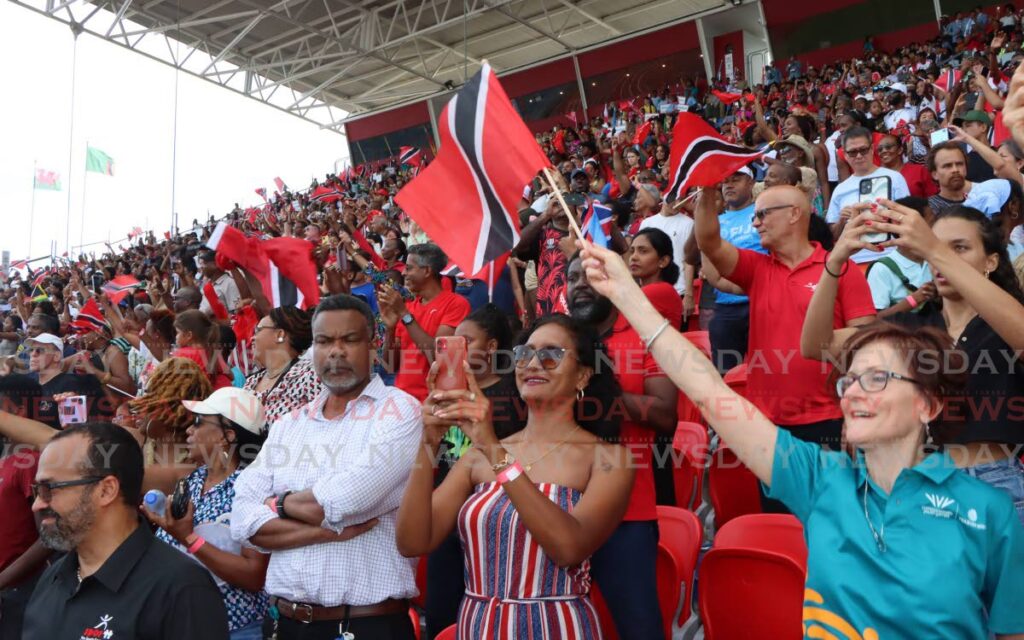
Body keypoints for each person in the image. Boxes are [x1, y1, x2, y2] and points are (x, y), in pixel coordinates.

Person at [575, 241, 1024, 639]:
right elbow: (709, 393)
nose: (853, 392)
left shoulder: (989, 512)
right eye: (848, 379)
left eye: (877, 378)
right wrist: (625, 293)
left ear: (928, 404)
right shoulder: (820, 479)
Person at [397, 314, 633, 639]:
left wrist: (494, 451)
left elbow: (568, 547)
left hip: (554, 626)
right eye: (525, 353)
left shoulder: (608, 459)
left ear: (582, 376)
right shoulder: (479, 456)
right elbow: (412, 541)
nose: (533, 363)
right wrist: (427, 442)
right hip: (477, 626)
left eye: (550, 355)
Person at [802, 202, 1024, 522]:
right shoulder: (914, 325)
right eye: (934, 249)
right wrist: (834, 261)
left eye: (959, 248)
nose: (940, 259)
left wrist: (933, 248)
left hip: (997, 483)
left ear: (991, 261)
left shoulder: (1006, 319)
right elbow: (815, 345)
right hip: (924, 481)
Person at [231, 294, 421, 640]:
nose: (336, 352)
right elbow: (243, 522)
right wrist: (322, 530)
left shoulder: (401, 411)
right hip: (283, 624)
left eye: (349, 340)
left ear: (373, 344)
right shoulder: (289, 424)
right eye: (324, 341)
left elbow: (345, 500)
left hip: (364, 625)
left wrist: (278, 505)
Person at [696, 184, 876, 511]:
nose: (756, 223)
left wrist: (856, 413)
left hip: (828, 419)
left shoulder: (840, 268)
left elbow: (865, 343)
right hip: (769, 426)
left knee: (830, 523)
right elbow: (708, 242)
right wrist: (707, 190)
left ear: (795, 214)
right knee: (780, 524)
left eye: (763, 214)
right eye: (754, 217)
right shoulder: (757, 268)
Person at [22, 422, 229, 640]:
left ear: (106, 490)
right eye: (37, 491)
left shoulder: (181, 588)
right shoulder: (53, 579)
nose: (37, 505)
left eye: (49, 490)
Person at [566, 253, 678, 637]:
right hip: (556, 508)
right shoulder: (555, 344)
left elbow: (665, 415)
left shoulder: (648, 336)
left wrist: (605, 391)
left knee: (637, 627)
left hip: (628, 513)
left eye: (589, 276)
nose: (579, 283)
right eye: (572, 277)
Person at [422, 304, 526, 638]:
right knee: (441, 616)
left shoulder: (514, 393)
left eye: (468, 340)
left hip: (492, 521)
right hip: (446, 517)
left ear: (492, 347)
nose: (459, 348)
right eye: (455, 341)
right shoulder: (447, 393)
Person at [142, 387, 270, 640]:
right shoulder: (192, 480)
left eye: (199, 423)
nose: (189, 431)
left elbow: (254, 575)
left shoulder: (252, 486)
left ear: (227, 436)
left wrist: (188, 538)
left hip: (233, 630)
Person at [379, 243, 470, 401]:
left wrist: (404, 314)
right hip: (402, 400)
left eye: (409, 268)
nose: (403, 273)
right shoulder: (408, 308)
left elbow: (438, 356)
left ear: (427, 271)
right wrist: (390, 330)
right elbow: (390, 366)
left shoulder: (456, 304)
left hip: (433, 402)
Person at [0, 376, 55, 640]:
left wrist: (3, 581)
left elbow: (48, 538)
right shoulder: (5, 456)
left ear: (17, 412)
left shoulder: (30, 462)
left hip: (19, 592)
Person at [702, 168, 765, 372]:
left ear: (751, 182)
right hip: (727, 308)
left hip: (763, 302)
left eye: (736, 179)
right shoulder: (714, 222)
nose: (729, 184)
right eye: (725, 180)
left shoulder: (764, 212)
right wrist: (742, 288)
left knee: (771, 370)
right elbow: (710, 272)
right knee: (725, 376)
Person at [827, 126, 911, 251]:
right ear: (845, 155)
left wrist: (886, 213)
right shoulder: (840, 189)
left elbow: (908, 220)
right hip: (854, 258)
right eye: (853, 152)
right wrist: (842, 221)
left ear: (872, 149)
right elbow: (832, 236)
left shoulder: (894, 178)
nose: (859, 156)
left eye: (863, 150)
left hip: (890, 253)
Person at [243, 306, 322, 428]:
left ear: (279, 334)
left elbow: (323, 424)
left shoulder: (309, 375)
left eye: (258, 330)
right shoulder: (250, 382)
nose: (252, 338)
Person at [864, 197, 937, 318]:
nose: (937, 226)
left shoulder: (937, 260)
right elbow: (875, 319)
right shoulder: (882, 269)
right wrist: (914, 300)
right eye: (932, 222)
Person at [25, 332, 111, 424]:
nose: (33, 354)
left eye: (40, 350)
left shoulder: (71, 385)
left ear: (56, 356)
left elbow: (77, 428)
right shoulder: (30, 384)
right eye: (31, 350)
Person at [638, 198, 695, 310]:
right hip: (649, 291)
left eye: (681, 199)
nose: (677, 202)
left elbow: (689, 261)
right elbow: (639, 258)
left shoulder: (689, 223)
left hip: (678, 291)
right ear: (663, 195)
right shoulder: (647, 223)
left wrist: (689, 294)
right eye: (673, 197)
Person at [629, 227, 684, 328]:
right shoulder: (647, 289)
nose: (633, 257)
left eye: (643, 251)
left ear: (663, 261)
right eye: (632, 251)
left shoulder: (661, 290)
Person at [172, 310, 232, 390]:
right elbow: (231, 376)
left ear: (189, 335)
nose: (176, 337)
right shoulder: (211, 351)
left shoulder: (183, 354)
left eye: (177, 333)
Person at [877, 134, 938, 199]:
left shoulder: (919, 171)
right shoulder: (877, 178)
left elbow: (934, 199)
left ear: (900, 150)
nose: (883, 151)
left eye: (888, 147)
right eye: (880, 149)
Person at [927, 141, 974, 214]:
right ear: (935, 174)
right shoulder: (929, 210)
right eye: (947, 166)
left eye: (959, 164)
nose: (955, 170)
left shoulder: (978, 200)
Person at [198, 250, 241, 316]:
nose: (201, 267)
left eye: (205, 263)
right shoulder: (208, 284)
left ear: (215, 264)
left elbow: (236, 312)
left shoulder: (229, 283)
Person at [961, 110, 998, 182]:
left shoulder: (999, 154)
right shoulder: (964, 160)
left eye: (968, 126)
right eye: (963, 127)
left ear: (983, 127)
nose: (964, 130)